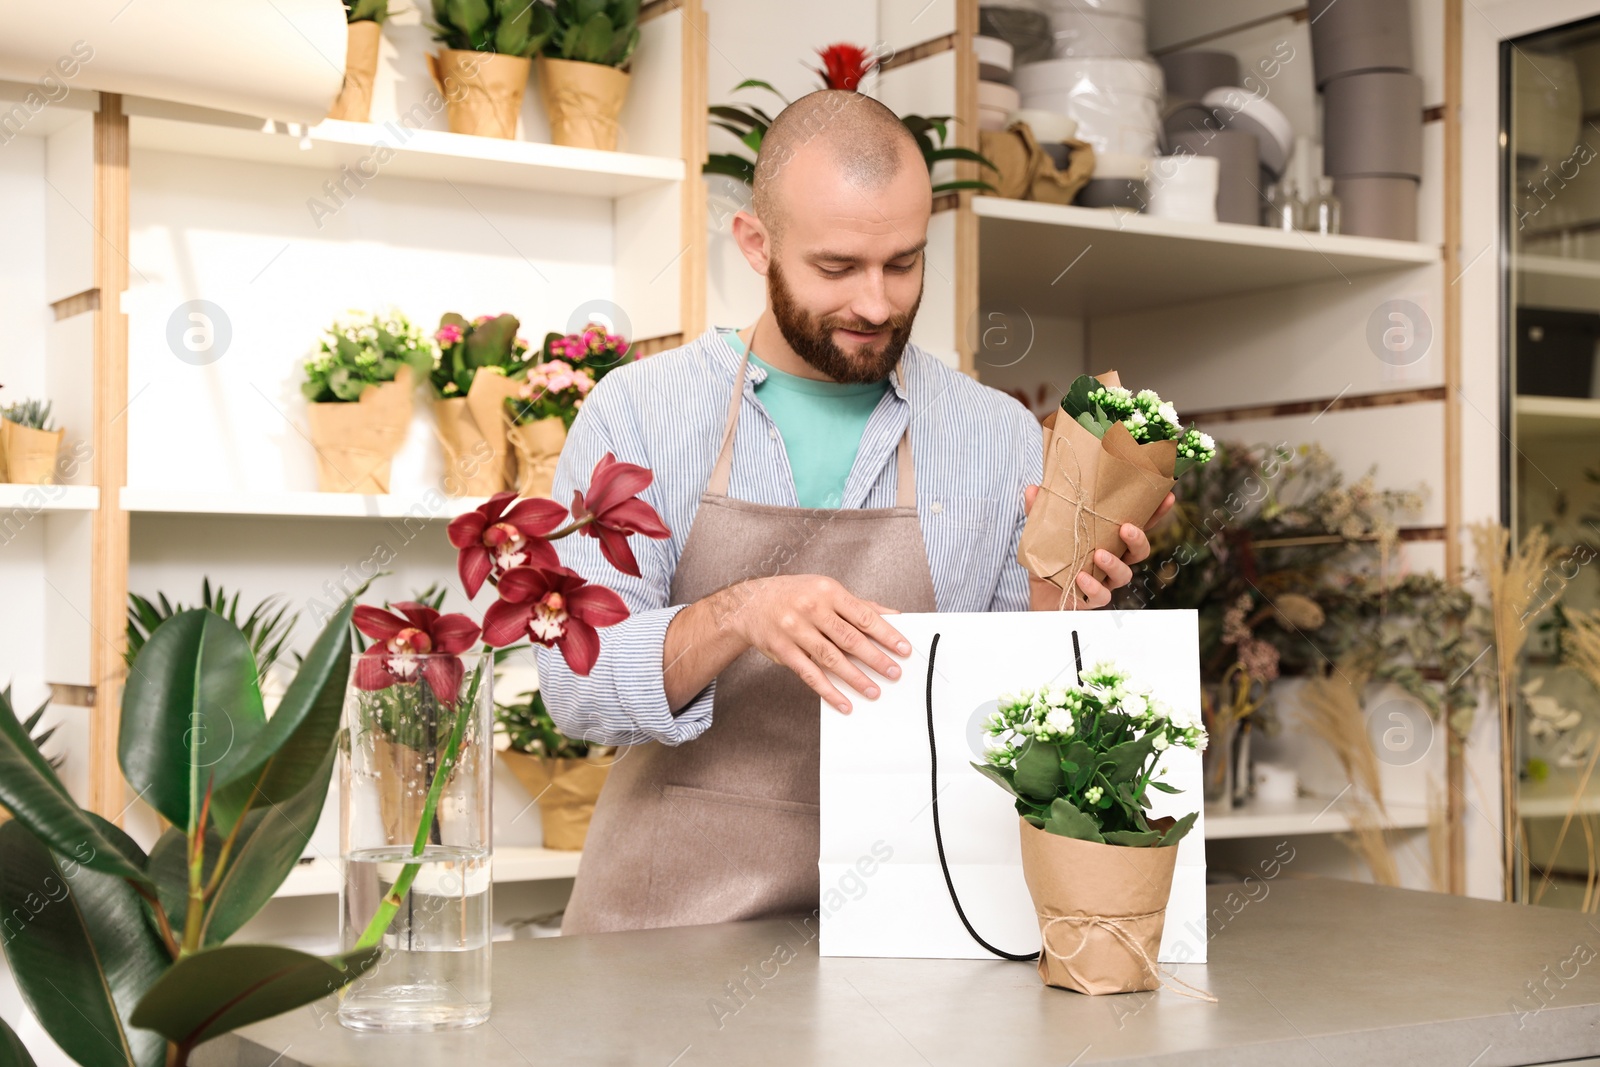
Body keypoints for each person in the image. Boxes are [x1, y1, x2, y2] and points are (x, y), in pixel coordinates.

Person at [535, 90, 1174, 934]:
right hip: (664, 936)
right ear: (756, 245)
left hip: (913, 925)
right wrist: (739, 612)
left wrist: (1065, 600)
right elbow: (575, 685)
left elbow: (1017, 721)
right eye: (837, 268)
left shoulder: (996, 434)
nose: (876, 304)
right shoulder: (640, 415)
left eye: (902, 263)